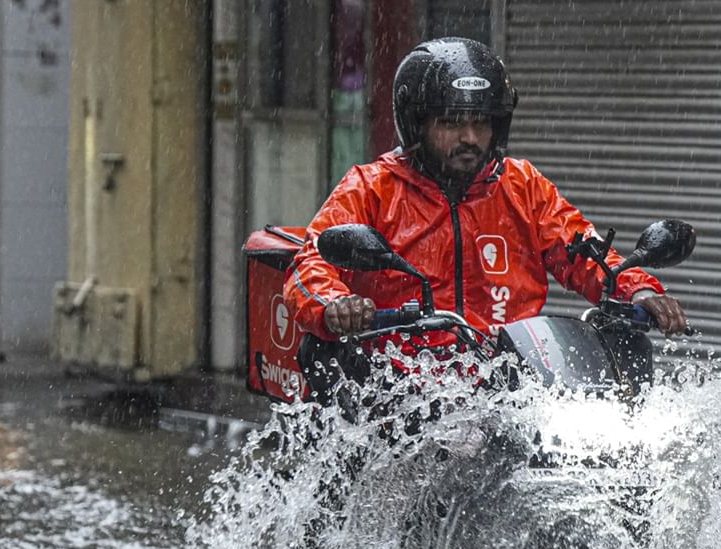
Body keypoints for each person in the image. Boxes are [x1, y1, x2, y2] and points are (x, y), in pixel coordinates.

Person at [284, 36, 687, 369]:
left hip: (512, 382)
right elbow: (310, 265)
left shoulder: (522, 186)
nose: (471, 138)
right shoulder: (372, 188)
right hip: (403, 386)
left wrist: (635, 290)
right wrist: (336, 304)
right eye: (452, 123)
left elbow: (584, 251)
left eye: (481, 123)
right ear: (416, 124)